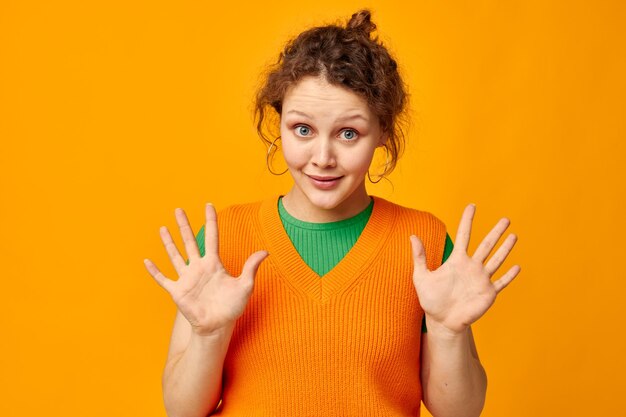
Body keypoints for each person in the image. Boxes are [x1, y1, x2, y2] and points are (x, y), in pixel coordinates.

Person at [143, 9, 520, 417]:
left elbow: (459, 412)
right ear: (280, 125)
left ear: (383, 133)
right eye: (302, 129)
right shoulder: (226, 240)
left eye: (348, 133)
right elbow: (181, 411)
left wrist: (447, 332)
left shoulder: (423, 242)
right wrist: (209, 334)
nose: (322, 158)